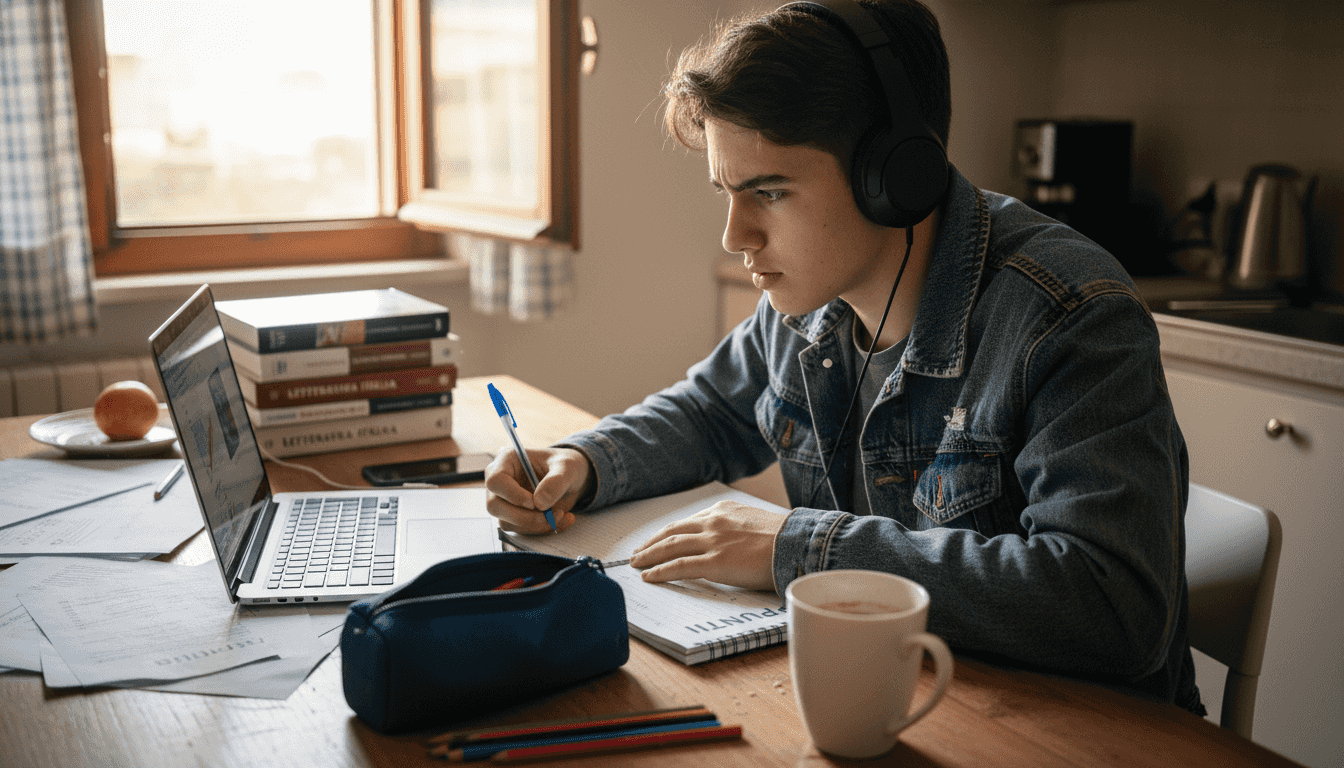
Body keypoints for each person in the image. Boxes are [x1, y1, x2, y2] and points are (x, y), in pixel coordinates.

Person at [484, 0, 1202, 713]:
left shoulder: (1069, 316)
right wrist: (584, 461)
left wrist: (801, 548)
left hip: (1080, 732)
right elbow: (709, 413)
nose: (736, 236)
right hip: (907, 699)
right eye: (727, 193)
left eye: (768, 191)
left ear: (893, 177)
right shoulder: (807, 306)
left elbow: (1113, 606)